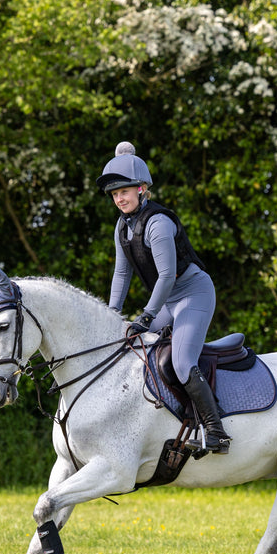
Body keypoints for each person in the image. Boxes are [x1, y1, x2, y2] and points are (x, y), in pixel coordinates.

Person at [96, 141, 231, 454]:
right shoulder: (122, 227)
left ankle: (216, 430)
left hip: (193, 295)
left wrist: (145, 315)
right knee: (130, 345)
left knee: (183, 362)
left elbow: (168, 276)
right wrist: (112, 315)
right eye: (115, 194)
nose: (119, 199)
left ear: (142, 189)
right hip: (168, 301)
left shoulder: (158, 223)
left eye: (125, 192)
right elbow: (121, 275)